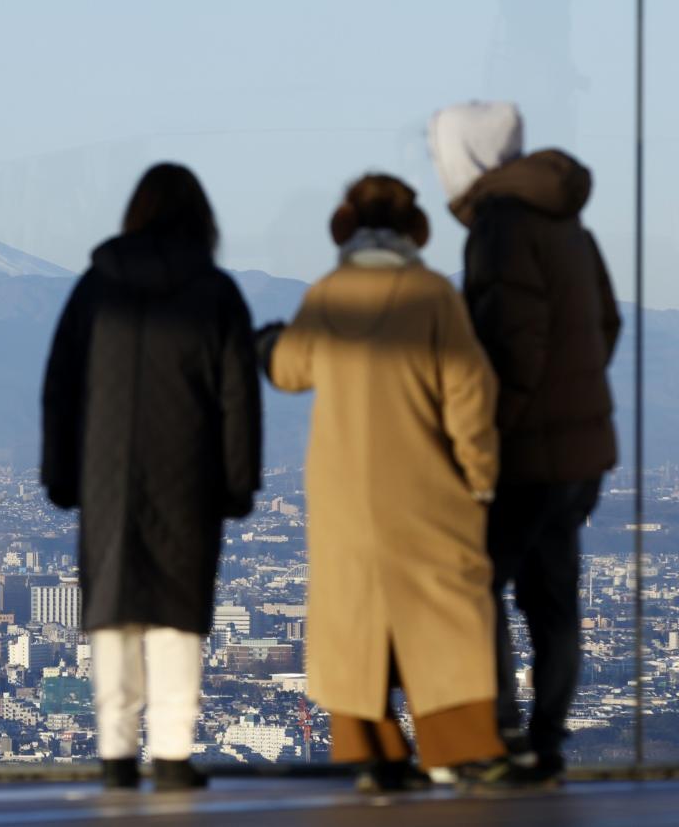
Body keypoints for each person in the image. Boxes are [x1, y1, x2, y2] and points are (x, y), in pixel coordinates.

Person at [262, 174, 512, 792]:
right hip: (427, 488)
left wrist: (270, 342)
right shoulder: (430, 295)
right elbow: (468, 392)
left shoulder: (329, 294)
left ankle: (372, 752)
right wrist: (480, 475)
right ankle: (461, 745)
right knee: (444, 615)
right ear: (413, 230)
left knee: (353, 620)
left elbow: (290, 370)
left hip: (345, 493)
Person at [41, 163, 262, 792]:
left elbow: (60, 388)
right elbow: (238, 398)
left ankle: (115, 752)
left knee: (114, 612)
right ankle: (170, 754)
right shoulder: (216, 292)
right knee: (176, 613)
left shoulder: (93, 287)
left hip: (107, 475)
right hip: (188, 476)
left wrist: (61, 472)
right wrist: (239, 481)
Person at [428, 101, 621, 783]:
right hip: (581, 450)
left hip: (525, 450)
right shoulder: (568, 224)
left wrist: (487, 430)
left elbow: (513, 343)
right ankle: (546, 739)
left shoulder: (500, 228)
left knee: (473, 584)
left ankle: (501, 729)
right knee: (554, 595)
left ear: (467, 160)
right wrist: (581, 400)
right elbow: (607, 320)